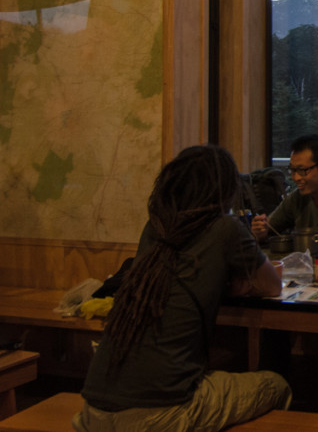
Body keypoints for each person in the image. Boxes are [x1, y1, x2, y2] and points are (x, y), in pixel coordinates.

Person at [74, 145, 291, 432]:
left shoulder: (155, 228)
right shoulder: (225, 229)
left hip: (92, 412)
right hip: (156, 416)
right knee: (277, 385)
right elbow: (272, 285)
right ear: (223, 191)